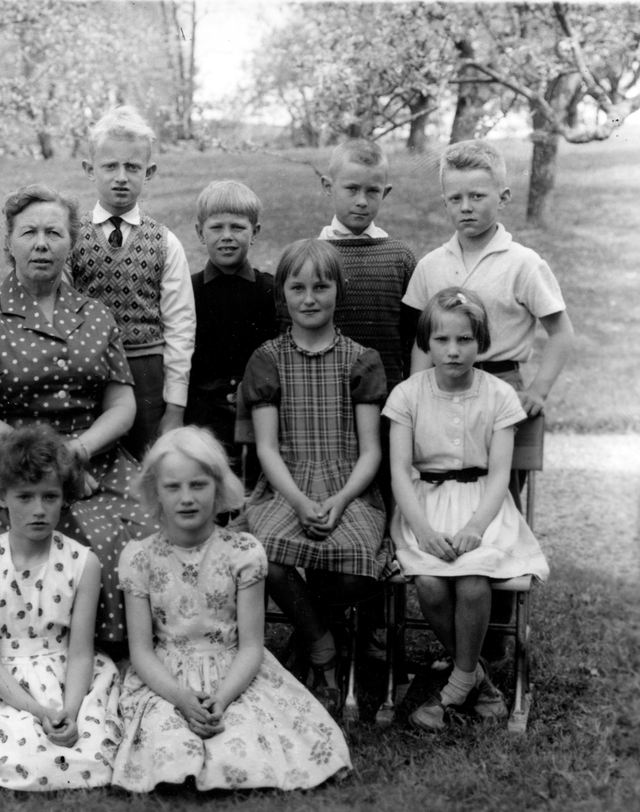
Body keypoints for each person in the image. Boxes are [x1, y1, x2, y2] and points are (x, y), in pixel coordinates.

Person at [0, 184, 158, 653]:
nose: (41, 244)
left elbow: (122, 406)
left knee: (154, 525)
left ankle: (160, 648)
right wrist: (53, 466)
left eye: (54, 233)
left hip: (95, 459)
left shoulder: (96, 315)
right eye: (29, 233)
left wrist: (77, 452)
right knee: (92, 535)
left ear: (72, 243)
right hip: (15, 469)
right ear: (9, 243)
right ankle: (97, 654)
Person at [402, 139, 574, 658]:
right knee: (440, 495)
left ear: (502, 196)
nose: (466, 208)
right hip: (441, 391)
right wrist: (417, 398)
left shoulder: (522, 263)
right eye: (455, 199)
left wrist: (537, 390)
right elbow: (421, 342)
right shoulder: (432, 264)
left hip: (499, 393)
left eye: (477, 196)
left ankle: (490, 642)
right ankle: (461, 647)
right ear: (444, 201)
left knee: (495, 505)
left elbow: (560, 332)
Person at [112, 427, 351, 792]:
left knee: (242, 739)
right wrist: (180, 698)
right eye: (173, 487)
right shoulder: (140, 557)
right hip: (166, 678)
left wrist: (222, 698)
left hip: (233, 672)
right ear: (155, 492)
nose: (187, 498)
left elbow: (252, 646)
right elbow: (141, 651)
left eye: (198, 485)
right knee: (168, 740)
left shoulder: (242, 552)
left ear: (219, 487)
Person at [231, 239, 389, 710]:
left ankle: (309, 625)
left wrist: (340, 501)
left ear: (339, 290)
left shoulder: (361, 359)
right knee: (265, 554)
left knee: (359, 566)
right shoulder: (268, 359)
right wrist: (299, 502)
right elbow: (266, 447)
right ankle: (323, 646)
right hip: (287, 486)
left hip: (348, 486)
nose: (309, 298)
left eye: (321, 287)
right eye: (297, 288)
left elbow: (371, 451)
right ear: (282, 293)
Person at [384, 288, 549, 731]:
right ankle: (478, 679)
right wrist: (422, 530)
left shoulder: (499, 395)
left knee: (473, 580)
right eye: (442, 340)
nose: (453, 350)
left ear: (481, 342)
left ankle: (455, 687)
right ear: (427, 342)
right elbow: (399, 471)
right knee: (431, 583)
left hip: (484, 506)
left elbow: (500, 475)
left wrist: (476, 526)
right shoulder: (407, 395)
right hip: (426, 506)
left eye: (464, 340)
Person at [0, 426, 121, 790]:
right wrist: (38, 710)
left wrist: (69, 710)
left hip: (69, 674)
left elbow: (80, 652)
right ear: (1, 497)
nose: (38, 510)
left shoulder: (83, 562)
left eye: (50, 496)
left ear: (64, 496)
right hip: (5, 680)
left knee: (88, 744)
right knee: (18, 745)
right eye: (24, 497)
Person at [68, 105, 196, 459]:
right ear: (90, 170)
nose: (121, 177)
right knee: (89, 461)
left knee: (147, 463)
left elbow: (181, 326)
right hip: (87, 372)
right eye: (110, 166)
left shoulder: (165, 243)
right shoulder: (71, 238)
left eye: (133, 167)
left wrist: (175, 406)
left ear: (148, 172)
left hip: (147, 376)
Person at [185, 180, 278, 485]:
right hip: (203, 416)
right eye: (216, 227)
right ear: (200, 232)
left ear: (255, 232)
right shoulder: (187, 290)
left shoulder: (270, 290)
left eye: (237, 227)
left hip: (258, 413)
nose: (227, 236)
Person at [318, 139, 418, 393]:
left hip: (389, 393)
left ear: (385, 192)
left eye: (372, 191)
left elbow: (415, 335)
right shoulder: (311, 257)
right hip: (325, 391)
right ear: (328, 186)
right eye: (352, 189)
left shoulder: (400, 258)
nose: (362, 201)